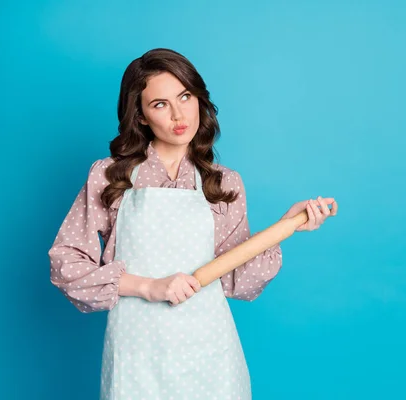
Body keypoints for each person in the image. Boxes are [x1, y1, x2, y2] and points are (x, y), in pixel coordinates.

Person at [48, 48, 337, 400]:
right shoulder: (110, 177)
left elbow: (235, 279)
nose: (179, 114)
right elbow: (67, 263)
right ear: (139, 116)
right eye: (160, 104)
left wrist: (285, 226)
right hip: (137, 355)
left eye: (185, 96)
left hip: (210, 356)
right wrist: (148, 287)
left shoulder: (223, 183)